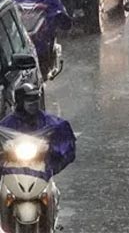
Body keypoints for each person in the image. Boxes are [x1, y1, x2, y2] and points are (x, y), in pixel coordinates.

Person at [0, 82, 76, 231]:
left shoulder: (48, 121)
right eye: (29, 100)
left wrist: (53, 148)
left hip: (40, 170)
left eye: (36, 99)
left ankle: (51, 220)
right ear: (20, 102)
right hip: (13, 171)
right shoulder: (8, 124)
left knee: (51, 191)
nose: (33, 104)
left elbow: (63, 137)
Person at [5, 0, 72, 71]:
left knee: (43, 40)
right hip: (19, 24)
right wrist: (16, 5)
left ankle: (46, 61)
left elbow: (53, 3)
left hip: (41, 27)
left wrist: (47, 8)